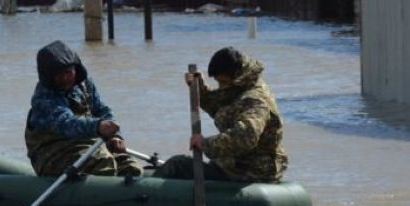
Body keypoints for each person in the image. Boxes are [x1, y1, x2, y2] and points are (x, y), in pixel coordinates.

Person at [155, 46, 288, 183]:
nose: (221, 87)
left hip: (251, 170)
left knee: (177, 165)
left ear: (236, 76)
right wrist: (201, 91)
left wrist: (205, 143)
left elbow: (245, 137)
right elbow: (225, 110)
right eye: (218, 82)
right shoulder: (244, 85)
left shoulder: (254, 100)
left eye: (223, 82)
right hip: (236, 164)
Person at [25, 40, 144, 178]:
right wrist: (98, 126)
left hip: (88, 146)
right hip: (53, 154)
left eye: (68, 72)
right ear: (48, 76)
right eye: (58, 75)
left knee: (131, 167)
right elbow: (66, 123)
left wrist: (115, 136)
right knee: (103, 162)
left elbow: (101, 110)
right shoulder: (43, 98)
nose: (64, 78)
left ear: (75, 69)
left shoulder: (85, 84)